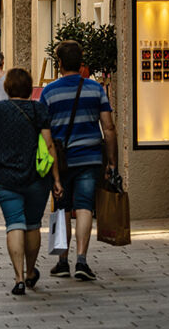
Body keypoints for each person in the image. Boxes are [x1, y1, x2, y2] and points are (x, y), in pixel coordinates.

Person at [0, 68, 63, 296]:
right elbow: (48, 146)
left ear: (7, 87)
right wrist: (56, 178)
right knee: (33, 224)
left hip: (5, 178)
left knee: (14, 223)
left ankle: (17, 278)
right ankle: (29, 272)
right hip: (37, 178)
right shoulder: (38, 109)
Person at [40, 40, 117, 281]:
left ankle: (62, 261)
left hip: (60, 161)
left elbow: (43, 131)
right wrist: (112, 162)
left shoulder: (49, 92)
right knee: (84, 206)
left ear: (59, 63)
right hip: (90, 157)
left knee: (62, 207)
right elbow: (109, 128)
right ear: (81, 62)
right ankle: (82, 260)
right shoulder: (96, 89)